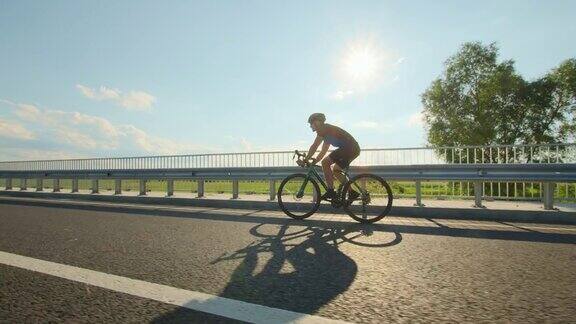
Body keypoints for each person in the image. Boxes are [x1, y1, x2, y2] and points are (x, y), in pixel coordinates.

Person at [302, 113, 360, 201]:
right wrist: (314, 162)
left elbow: (315, 146)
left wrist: (305, 159)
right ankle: (352, 192)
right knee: (335, 170)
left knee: (326, 163)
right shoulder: (327, 132)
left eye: (311, 123)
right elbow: (323, 151)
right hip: (351, 148)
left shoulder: (323, 130)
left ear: (317, 122)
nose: (310, 126)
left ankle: (331, 190)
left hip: (349, 148)